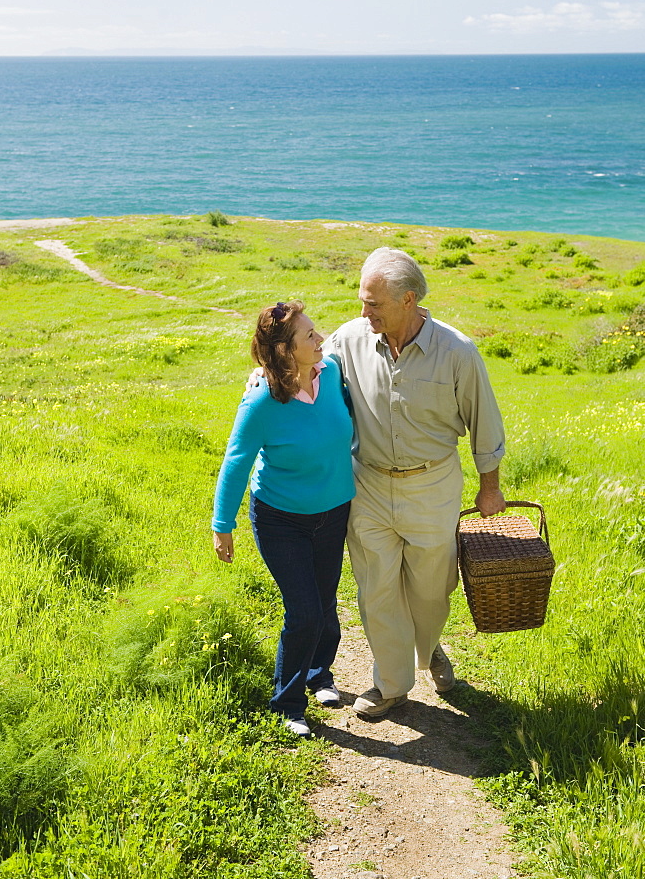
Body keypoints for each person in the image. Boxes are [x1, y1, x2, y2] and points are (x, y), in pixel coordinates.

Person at [322, 247, 506, 718]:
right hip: (367, 484)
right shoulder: (349, 339)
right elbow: (309, 374)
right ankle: (391, 684)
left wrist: (490, 486)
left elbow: (484, 421)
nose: (365, 313)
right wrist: (265, 377)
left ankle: (429, 649)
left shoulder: (457, 352)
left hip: (432, 486)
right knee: (376, 589)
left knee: (432, 590)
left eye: (374, 303)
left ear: (409, 300)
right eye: (363, 301)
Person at [212, 300, 355, 738]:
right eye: (309, 336)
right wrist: (223, 524)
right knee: (305, 610)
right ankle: (288, 703)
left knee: (326, 600)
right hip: (281, 518)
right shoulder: (261, 399)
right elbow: (236, 460)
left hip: (333, 511)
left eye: (315, 331)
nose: (320, 339)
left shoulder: (331, 375)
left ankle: (319, 673)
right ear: (285, 351)